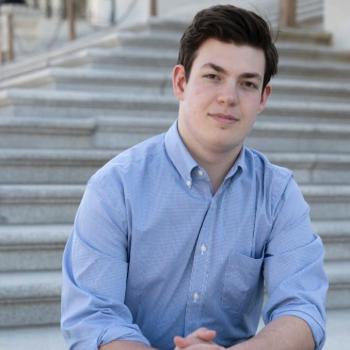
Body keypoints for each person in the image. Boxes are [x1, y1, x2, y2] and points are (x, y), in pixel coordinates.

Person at [61, 4, 328, 350]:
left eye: (247, 84)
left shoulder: (278, 195)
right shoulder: (115, 188)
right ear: (181, 82)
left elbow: (303, 309)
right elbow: (93, 318)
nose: (228, 97)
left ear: (263, 98)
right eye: (213, 76)